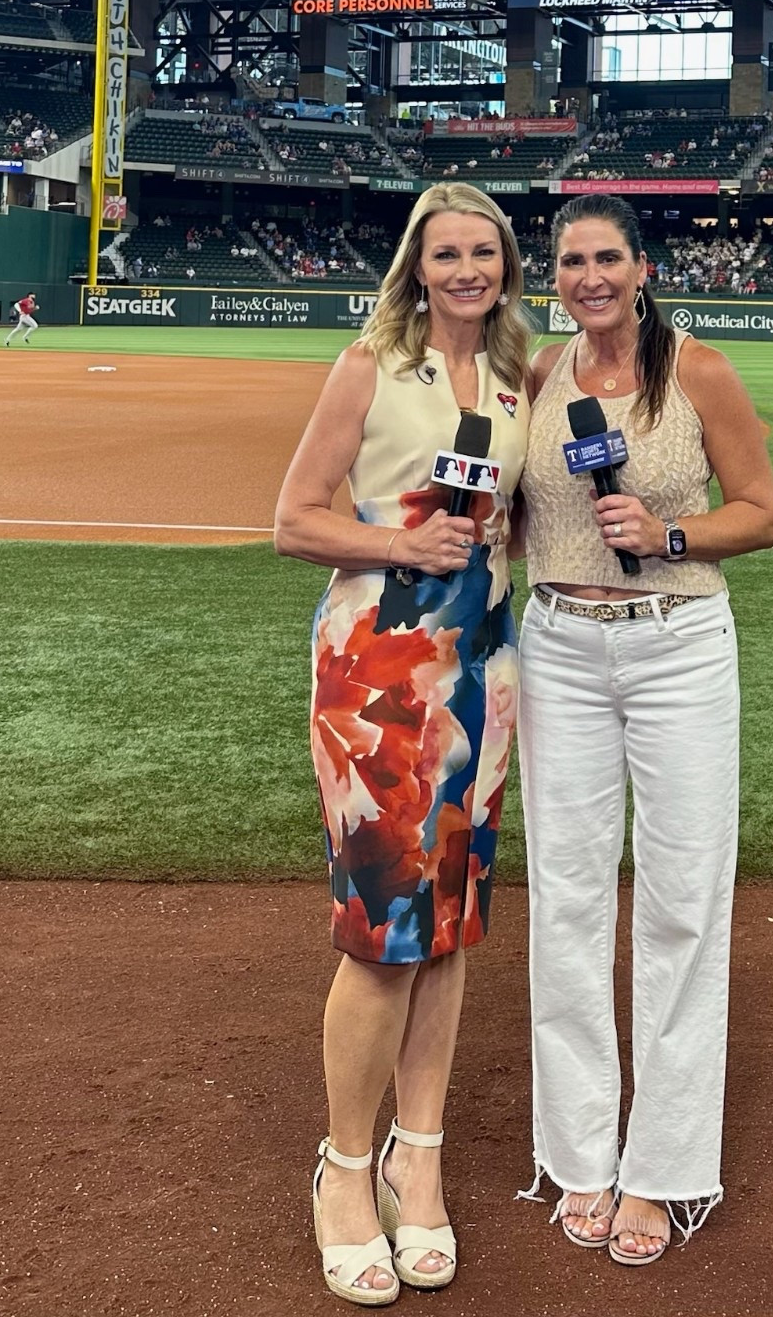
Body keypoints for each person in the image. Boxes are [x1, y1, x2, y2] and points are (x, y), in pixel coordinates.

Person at [274, 182, 531, 1307]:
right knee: (385, 929)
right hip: (377, 665)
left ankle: (413, 1156)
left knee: (451, 924)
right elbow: (293, 517)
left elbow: (518, 523)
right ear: (415, 268)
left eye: (483, 250)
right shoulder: (369, 365)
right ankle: (340, 1169)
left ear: (505, 264)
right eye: (447, 253)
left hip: (484, 667)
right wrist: (398, 541)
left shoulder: (525, 380)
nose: (466, 268)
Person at [515, 194, 773, 1266]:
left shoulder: (698, 372)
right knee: (568, 899)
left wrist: (668, 527)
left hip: (676, 638)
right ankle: (577, 1152)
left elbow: (760, 511)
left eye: (605, 256)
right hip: (560, 644)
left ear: (641, 264)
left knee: (680, 901)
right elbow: (515, 513)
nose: (587, 275)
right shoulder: (538, 377)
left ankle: (664, 1167)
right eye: (570, 258)